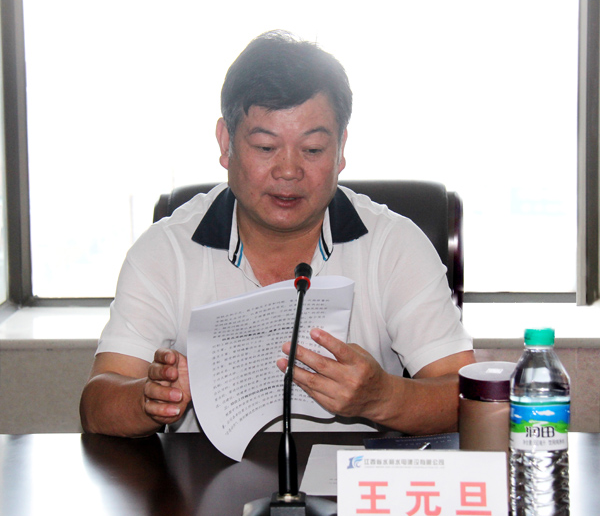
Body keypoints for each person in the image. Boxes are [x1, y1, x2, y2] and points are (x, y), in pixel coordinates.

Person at [80, 30, 475, 438]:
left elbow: (466, 396)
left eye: (313, 149)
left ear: (341, 149)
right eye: (266, 148)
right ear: (226, 143)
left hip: (353, 474)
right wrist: (150, 398)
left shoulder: (394, 246)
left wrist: (383, 397)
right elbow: (97, 404)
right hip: (206, 477)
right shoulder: (166, 251)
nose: (289, 171)